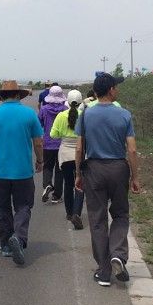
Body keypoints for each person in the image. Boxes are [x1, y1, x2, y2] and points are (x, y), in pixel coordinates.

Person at [76, 71, 143, 289]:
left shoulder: (86, 115)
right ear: (111, 90)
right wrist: (135, 176)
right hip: (118, 168)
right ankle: (118, 255)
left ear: (95, 92)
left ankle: (103, 271)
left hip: (94, 168)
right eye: (116, 87)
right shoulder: (124, 114)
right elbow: (131, 150)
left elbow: (79, 147)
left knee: (97, 219)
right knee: (121, 214)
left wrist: (78, 173)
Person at [0, 79, 45, 266]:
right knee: (23, 207)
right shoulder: (29, 114)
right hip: (23, 172)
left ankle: (6, 245)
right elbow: (38, 142)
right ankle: (19, 237)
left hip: (0, 173)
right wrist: (40, 161)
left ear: (1, 97)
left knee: (3, 209)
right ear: (18, 95)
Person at [50, 87, 86, 229]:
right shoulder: (84, 115)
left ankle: (69, 213)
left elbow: (53, 134)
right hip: (80, 153)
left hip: (64, 154)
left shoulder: (61, 116)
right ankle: (77, 213)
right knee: (80, 184)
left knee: (68, 184)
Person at [36, 84, 67, 202]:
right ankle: (57, 196)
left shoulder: (44, 109)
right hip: (61, 144)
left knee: (47, 166)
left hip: (47, 143)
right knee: (60, 169)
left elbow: (40, 124)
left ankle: (47, 184)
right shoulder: (65, 110)